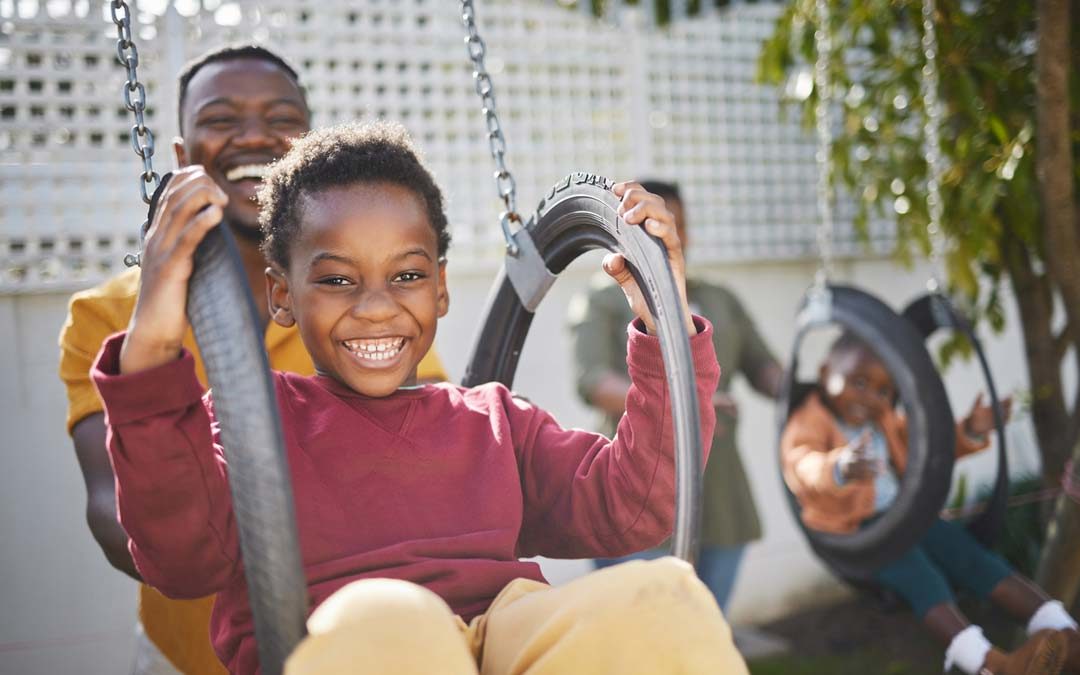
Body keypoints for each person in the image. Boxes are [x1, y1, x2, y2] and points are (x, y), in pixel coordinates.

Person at [88, 120, 747, 675]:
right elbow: (179, 557)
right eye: (338, 279)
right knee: (389, 617)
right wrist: (150, 337)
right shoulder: (252, 423)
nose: (376, 308)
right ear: (282, 295)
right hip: (348, 642)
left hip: (500, 634)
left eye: (406, 274)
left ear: (440, 287)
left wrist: (664, 319)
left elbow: (634, 507)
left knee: (659, 594)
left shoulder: (491, 423)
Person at [57, 46, 449, 675]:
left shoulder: (366, 303)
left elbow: (432, 455)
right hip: (187, 658)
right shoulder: (111, 318)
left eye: (280, 116)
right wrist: (231, 551)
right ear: (183, 157)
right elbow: (110, 503)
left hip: (348, 648)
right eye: (220, 119)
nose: (254, 136)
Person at [781, 332, 1078, 675]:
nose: (869, 397)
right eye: (858, 382)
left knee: (975, 560)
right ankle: (992, 664)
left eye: (883, 391)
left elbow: (926, 447)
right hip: (862, 533)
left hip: (908, 517)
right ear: (823, 373)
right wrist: (839, 467)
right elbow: (801, 464)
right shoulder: (809, 421)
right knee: (924, 579)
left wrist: (971, 429)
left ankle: (1065, 633)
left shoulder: (884, 421)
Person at [568, 179, 782, 612]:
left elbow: (764, 368)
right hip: (636, 493)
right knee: (637, 644)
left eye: (676, 226)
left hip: (720, 497)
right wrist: (681, 401)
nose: (667, 237)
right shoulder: (603, 300)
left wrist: (815, 390)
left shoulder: (719, 299)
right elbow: (591, 380)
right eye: (653, 226)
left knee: (705, 634)